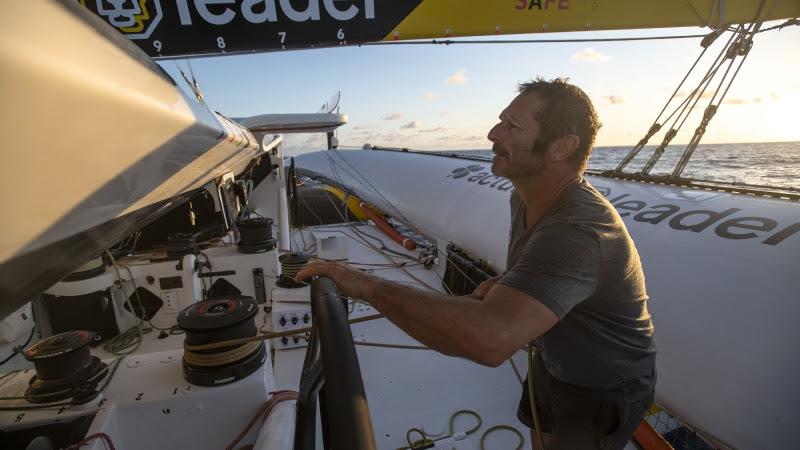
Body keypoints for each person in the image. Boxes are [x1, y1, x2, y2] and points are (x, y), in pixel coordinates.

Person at [294, 77, 656, 450]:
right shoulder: (526, 199)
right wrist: (508, 281)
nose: (492, 133)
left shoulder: (578, 229)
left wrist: (363, 284)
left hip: (601, 384)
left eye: (512, 126)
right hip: (553, 360)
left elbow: (488, 340)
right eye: (501, 121)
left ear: (562, 147)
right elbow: (545, 268)